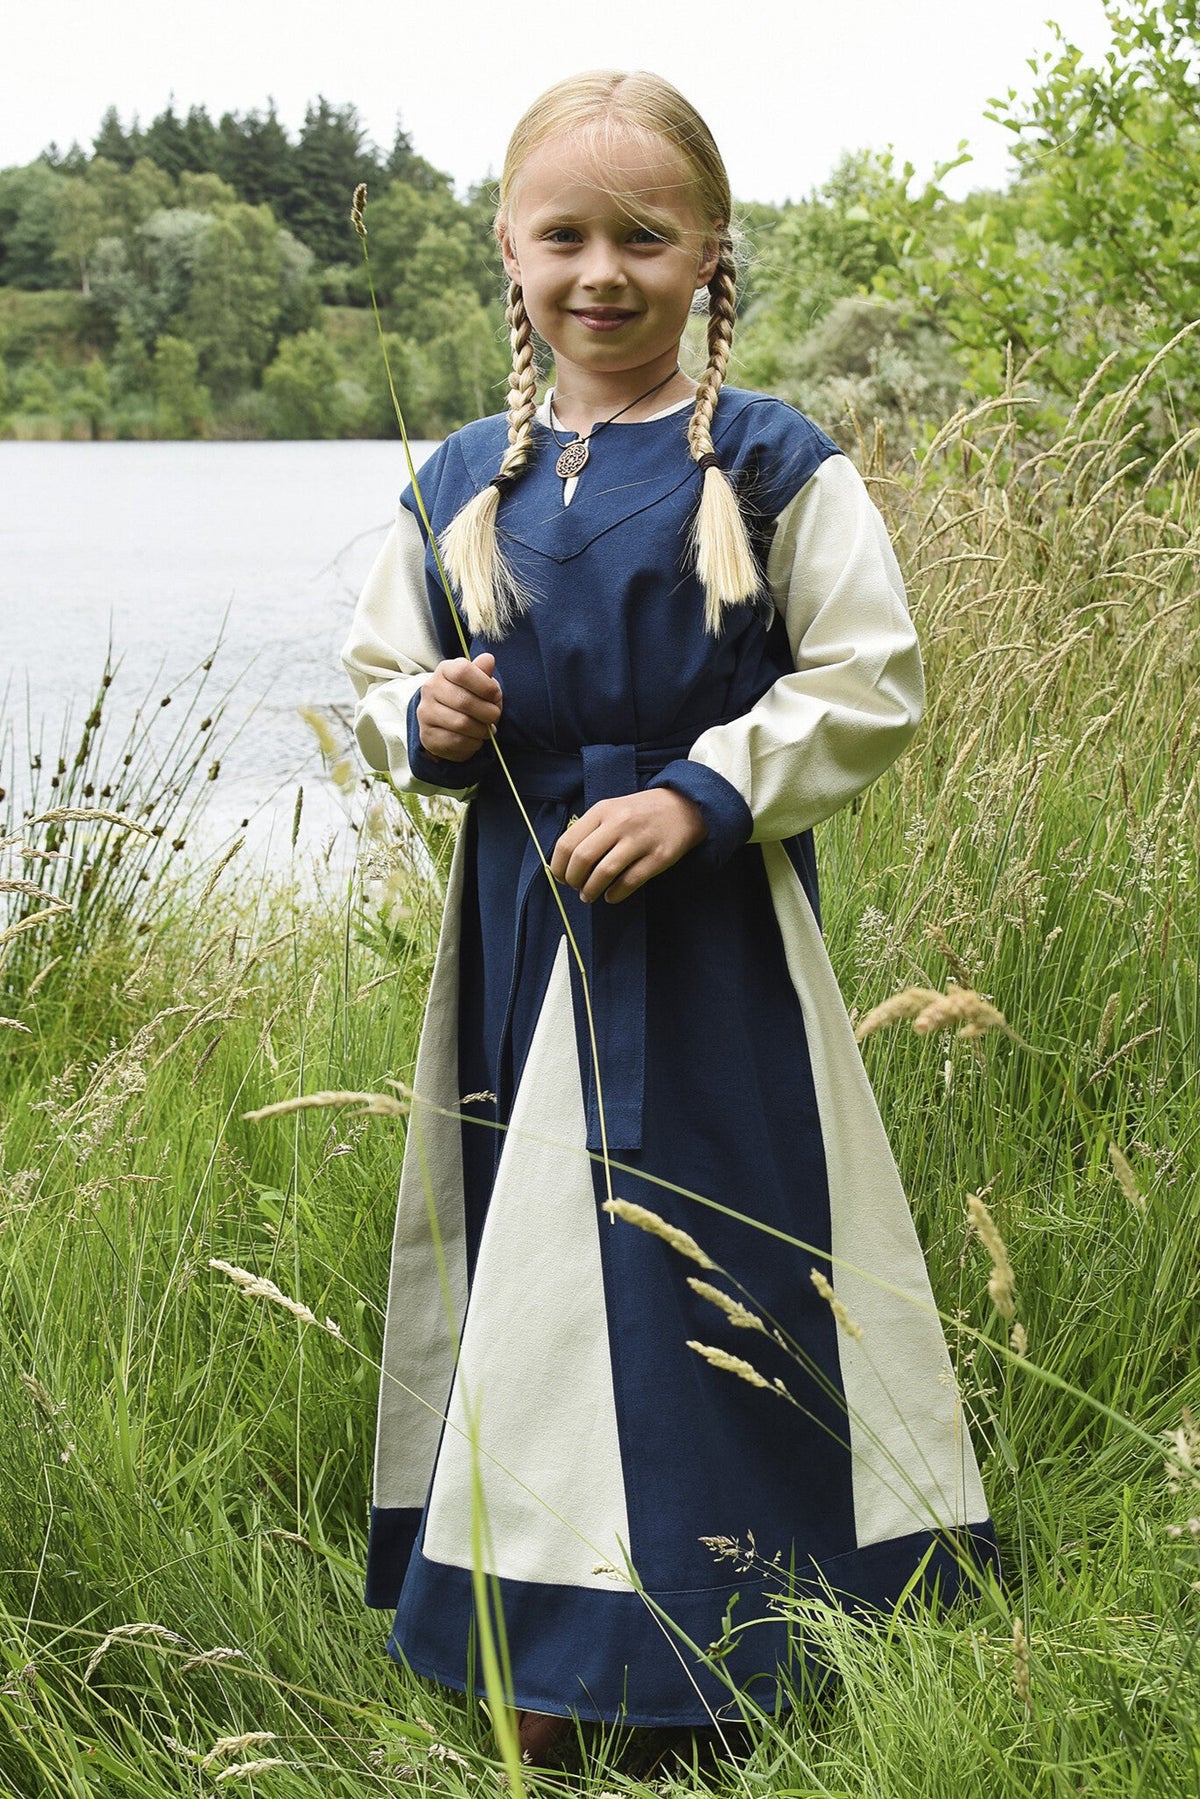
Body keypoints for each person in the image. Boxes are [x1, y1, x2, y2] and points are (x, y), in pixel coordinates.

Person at [342, 68, 997, 1765]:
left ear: (713, 257)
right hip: (523, 937)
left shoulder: (777, 465)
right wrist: (422, 722)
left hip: (714, 953)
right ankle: (555, 1651)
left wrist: (711, 788)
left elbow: (873, 679)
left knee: (728, 1275)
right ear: (509, 252)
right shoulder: (463, 482)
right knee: (545, 1287)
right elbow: (373, 672)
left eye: (646, 236)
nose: (602, 273)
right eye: (565, 235)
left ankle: (759, 1635)